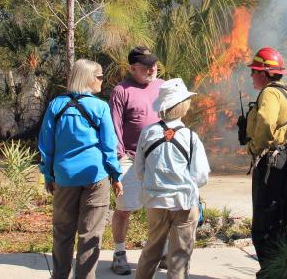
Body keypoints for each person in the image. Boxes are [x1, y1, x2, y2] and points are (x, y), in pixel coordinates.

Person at [38, 59, 123, 279]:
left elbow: (46, 145)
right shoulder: (100, 107)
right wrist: (115, 175)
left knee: (63, 232)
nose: (103, 81)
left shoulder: (56, 105)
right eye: (100, 76)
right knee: (90, 234)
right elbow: (109, 146)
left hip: (64, 178)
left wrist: (48, 174)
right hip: (95, 176)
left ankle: (60, 275)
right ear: (88, 78)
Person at [134, 78, 210, 279]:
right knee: (179, 256)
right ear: (183, 106)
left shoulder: (147, 133)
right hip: (183, 203)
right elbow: (201, 175)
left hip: (155, 201)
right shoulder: (191, 137)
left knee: (152, 249)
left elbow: (139, 171)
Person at [245, 47, 287, 278]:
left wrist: (254, 148)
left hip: (273, 168)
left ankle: (272, 273)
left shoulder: (269, 94)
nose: (252, 75)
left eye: (254, 71)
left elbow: (265, 123)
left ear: (264, 73)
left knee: (264, 228)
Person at [109, 46, 165, 275]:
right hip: (130, 159)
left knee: (161, 207)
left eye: (154, 64)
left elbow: (171, 119)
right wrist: (118, 158)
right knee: (124, 208)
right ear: (133, 68)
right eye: (146, 66)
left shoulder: (163, 87)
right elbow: (115, 127)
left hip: (159, 158)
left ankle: (163, 252)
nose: (152, 69)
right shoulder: (121, 90)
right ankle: (119, 253)